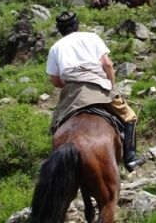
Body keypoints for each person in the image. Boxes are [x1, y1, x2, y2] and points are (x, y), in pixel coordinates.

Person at [46, 11, 147, 172]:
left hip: (72, 94)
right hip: (98, 85)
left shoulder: (55, 48)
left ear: (60, 29)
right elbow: (107, 64)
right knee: (130, 117)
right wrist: (111, 85)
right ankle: (131, 158)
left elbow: (55, 81)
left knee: (55, 126)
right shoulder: (91, 37)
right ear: (77, 25)